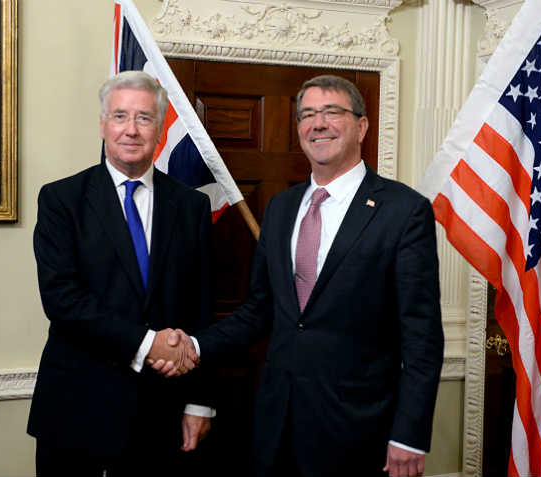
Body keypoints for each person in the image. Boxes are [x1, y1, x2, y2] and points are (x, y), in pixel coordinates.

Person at [154, 74, 444, 477]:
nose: (318, 123)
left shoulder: (404, 211)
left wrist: (409, 434)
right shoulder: (281, 208)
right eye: (308, 114)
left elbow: (422, 336)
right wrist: (195, 346)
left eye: (331, 112)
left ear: (361, 126)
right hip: (277, 423)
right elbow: (259, 311)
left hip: (360, 430)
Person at [27, 70, 214, 477]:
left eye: (144, 118)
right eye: (120, 116)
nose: (131, 130)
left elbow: (201, 307)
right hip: (77, 410)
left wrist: (200, 402)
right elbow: (62, 301)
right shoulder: (61, 199)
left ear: (161, 128)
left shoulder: (191, 207)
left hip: (162, 413)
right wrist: (149, 343)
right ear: (102, 124)